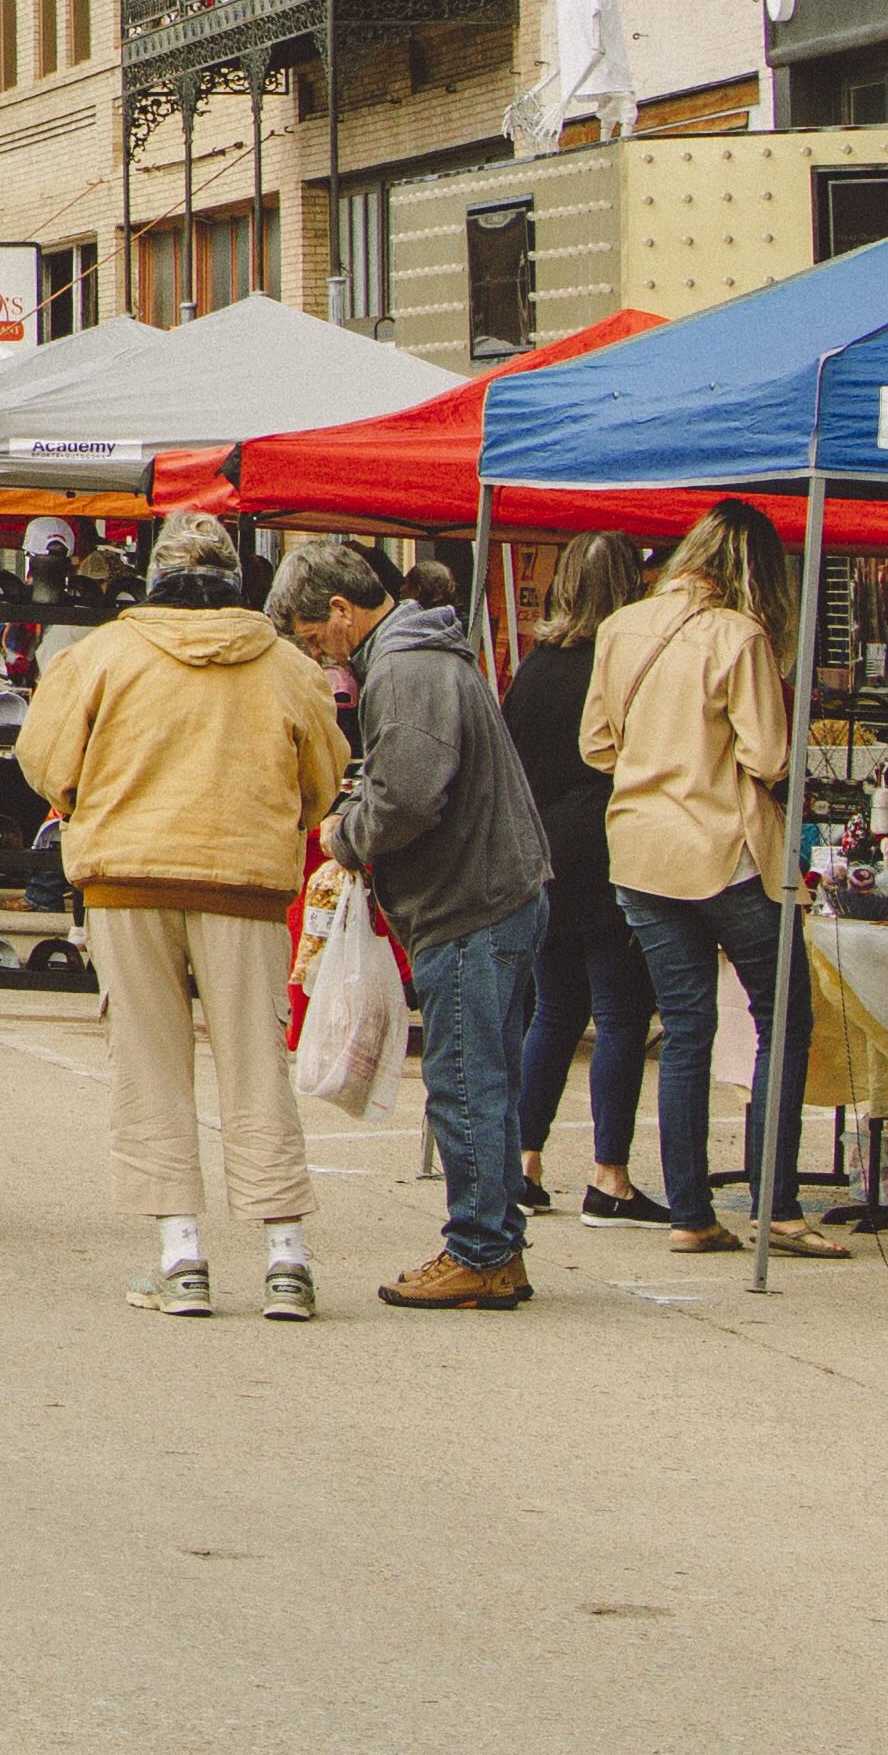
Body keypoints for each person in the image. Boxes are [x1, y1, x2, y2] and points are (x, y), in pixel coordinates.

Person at [13, 511, 344, 1316]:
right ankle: (284, 1258)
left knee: (149, 1065)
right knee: (258, 1064)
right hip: (245, 884)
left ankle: (181, 1255)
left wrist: (85, 801)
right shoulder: (287, 666)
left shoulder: (102, 656)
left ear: (154, 576)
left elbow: (45, 760)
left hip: (129, 878)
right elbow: (324, 778)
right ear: (236, 581)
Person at [279, 537, 549, 1311]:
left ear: (340, 610)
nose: (320, 655)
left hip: (473, 899)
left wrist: (345, 834)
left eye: (313, 637)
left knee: (465, 1082)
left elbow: (409, 794)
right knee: (483, 1077)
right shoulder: (420, 654)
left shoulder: (404, 666)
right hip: (494, 890)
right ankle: (493, 1244)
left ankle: (481, 1249)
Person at [585, 499, 839, 1260]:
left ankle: (690, 1212)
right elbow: (768, 756)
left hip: (638, 850)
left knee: (686, 1028)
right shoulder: (742, 635)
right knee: (782, 1019)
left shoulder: (621, 625)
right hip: (723, 849)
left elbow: (596, 745)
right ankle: (776, 1203)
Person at [502, 531, 658, 1223]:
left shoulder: (535, 665)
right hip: (609, 843)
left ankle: (524, 1162)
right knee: (621, 1015)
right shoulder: (622, 664)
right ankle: (609, 1174)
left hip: (542, 851)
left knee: (555, 1011)